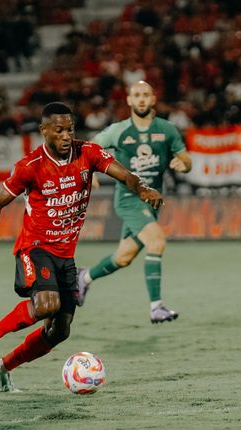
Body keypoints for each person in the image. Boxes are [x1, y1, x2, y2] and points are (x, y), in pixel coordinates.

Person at [0, 102, 162, 392]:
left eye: (70, 129)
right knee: (47, 304)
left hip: (65, 255)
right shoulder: (29, 167)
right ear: (44, 131)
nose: (67, 135)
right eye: (59, 130)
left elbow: (124, 175)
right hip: (35, 248)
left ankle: (2, 368)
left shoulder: (88, 153)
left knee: (60, 331)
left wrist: (142, 188)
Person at [76, 81, 192, 324]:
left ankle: (84, 278)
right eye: (136, 95)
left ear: (153, 99)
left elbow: (185, 157)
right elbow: (89, 149)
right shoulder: (119, 131)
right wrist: (89, 173)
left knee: (123, 257)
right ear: (128, 100)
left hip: (152, 203)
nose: (141, 99)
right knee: (157, 242)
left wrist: (184, 164)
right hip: (129, 199)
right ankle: (156, 307)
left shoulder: (167, 129)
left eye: (145, 94)